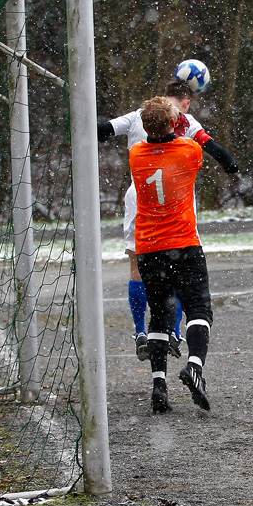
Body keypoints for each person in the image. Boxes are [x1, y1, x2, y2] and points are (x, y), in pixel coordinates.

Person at [98, 79, 238, 361]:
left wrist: (88, 124)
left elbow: (104, 130)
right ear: (185, 102)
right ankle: (173, 332)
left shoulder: (137, 118)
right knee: (177, 264)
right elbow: (217, 152)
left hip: (140, 196)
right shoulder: (188, 123)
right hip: (175, 200)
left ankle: (141, 332)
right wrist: (231, 166)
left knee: (138, 265)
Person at [130, 96, 215, 413]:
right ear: (173, 124)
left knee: (160, 316)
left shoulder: (136, 154)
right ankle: (194, 366)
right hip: (183, 244)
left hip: (149, 248)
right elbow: (195, 148)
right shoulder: (188, 151)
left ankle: (158, 386)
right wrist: (183, 125)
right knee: (198, 309)